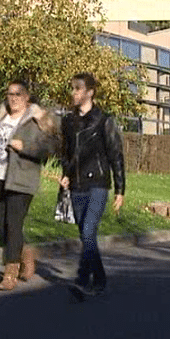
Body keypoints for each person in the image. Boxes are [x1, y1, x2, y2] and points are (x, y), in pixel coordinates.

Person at [0, 80, 58, 291]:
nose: (13, 98)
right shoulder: (2, 117)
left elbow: (49, 147)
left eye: (18, 94)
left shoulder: (36, 120)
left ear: (26, 97)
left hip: (22, 179)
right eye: (10, 94)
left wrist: (26, 147)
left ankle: (9, 273)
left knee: (13, 223)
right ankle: (26, 253)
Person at [59, 72, 125, 297]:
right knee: (85, 236)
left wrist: (120, 190)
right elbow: (66, 153)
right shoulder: (68, 121)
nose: (74, 93)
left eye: (78, 89)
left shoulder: (104, 120)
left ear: (90, 92)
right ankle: (100, 279)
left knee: (88, 232)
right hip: (76, 185)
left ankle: (83, 279)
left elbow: (116, 154)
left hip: (97, 183)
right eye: (72, 88)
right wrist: (65, 174)